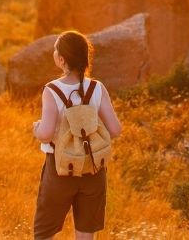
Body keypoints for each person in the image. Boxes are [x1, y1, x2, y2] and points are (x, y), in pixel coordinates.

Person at [31, 29, 122, 240]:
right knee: (86, 234)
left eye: (55, 50)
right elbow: (116, 129)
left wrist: (36, 128)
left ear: (61, 59)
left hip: (61, 169)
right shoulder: (97, 88)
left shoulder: (52, 90)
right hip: (93, 169)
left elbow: (45, 134)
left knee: (44, 232)